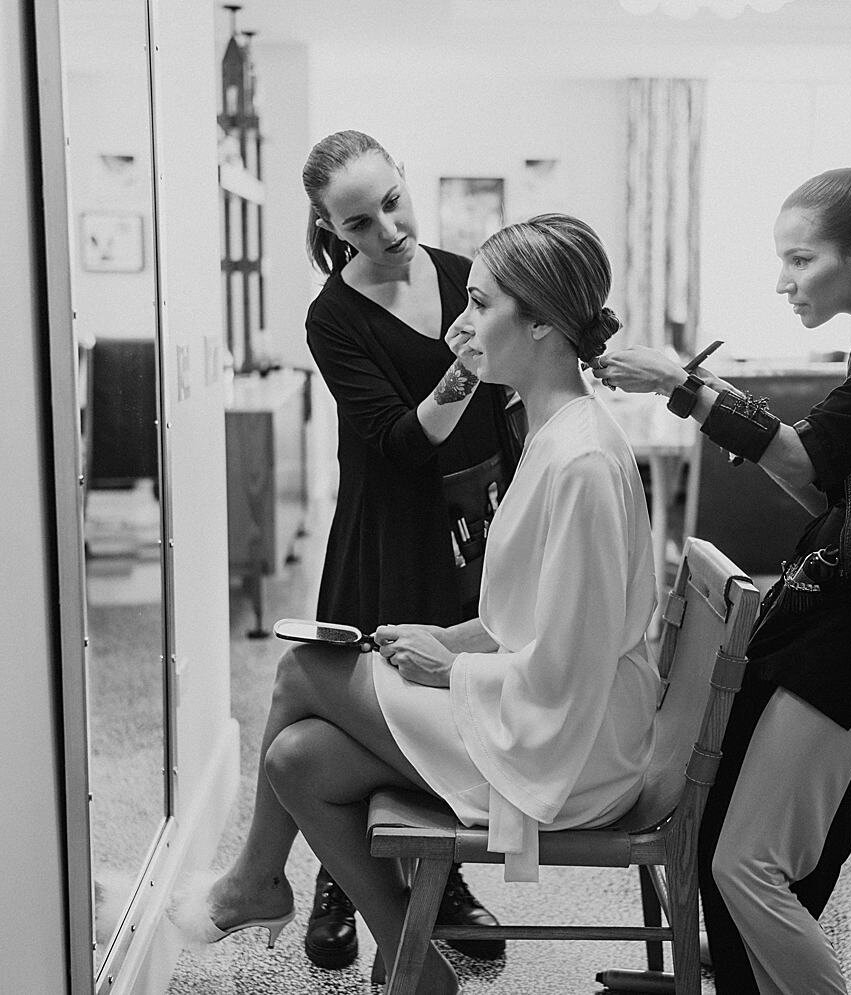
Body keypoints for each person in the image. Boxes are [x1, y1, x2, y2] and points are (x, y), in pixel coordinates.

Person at [180, 214, 658, 995]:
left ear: (541, 322)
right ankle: (412, 954)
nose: (460, 325)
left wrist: (451, 671)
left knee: (305, 668)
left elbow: (568, 668)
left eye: (480, 303)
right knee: (296, 759)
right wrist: (454, 637)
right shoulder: (546, 429)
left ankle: (253, 883)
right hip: (543, 708)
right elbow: (538, 616)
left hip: (573, 746)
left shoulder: (581, 463)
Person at [588, 139, 851, 993]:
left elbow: (810, 464)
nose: (784, 280)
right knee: (719, 835)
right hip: (830, 599)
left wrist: (682, 387)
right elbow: (827, 485)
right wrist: (735, 420)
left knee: (747, 865)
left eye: (799, 258)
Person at [294, 129, 510, 967]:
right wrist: (460, 371)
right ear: (333, 229)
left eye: (391, 201)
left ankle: (445, 882)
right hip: (389, 531)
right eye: (358, 223)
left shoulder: (468, 275)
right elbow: (396, 444)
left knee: (450, 711)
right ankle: (336, 874)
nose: (387, 228)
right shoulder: (334, 316)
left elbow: (513, 410)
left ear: (406, 181)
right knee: (365, 711)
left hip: (476, 525)